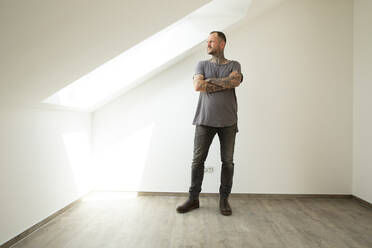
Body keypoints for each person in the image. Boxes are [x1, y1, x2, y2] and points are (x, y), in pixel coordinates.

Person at [176, 31, 243, 216]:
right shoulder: (202, 64)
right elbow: (198, 86)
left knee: (227, 162)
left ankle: (224, 200)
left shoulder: (234, 64)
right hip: (204, 120)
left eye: (212, 41)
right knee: (198, 161)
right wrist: (225, 82)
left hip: (228, 121)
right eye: (207, 41)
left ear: (222, 44)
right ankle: (193, 199)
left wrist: (211, 81)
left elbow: (235, 81)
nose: (208, 44)